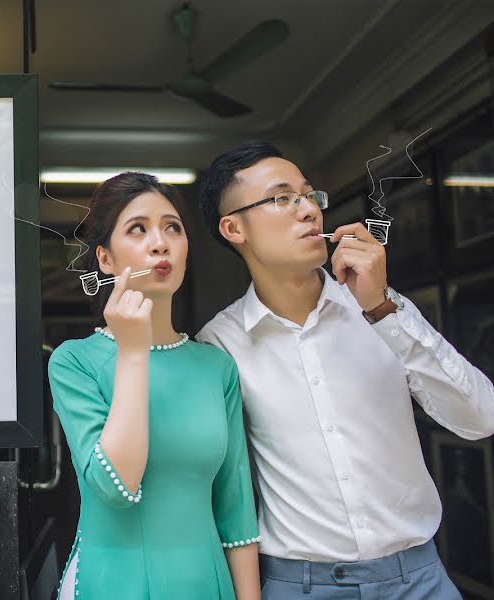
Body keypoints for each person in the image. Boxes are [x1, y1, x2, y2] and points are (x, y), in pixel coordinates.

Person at [196, 139, 494, 598]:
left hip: (419, 580)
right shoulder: (219, 344)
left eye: (310, 195)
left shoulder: (382, 310)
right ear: (234, 228)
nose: (309, 210)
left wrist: (381, 310)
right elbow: (216, 488)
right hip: (300, 585)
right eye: (282, 198)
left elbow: (480, 419)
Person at [48, 172, 261, 599]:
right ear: (105, 259)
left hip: (207, 583)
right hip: (112, 584)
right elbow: (116, 486)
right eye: (138, 229)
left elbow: (236, 510)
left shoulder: (216, 367)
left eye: (172, 228)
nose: (160, 243)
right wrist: (131, 352)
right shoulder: (74, 362)